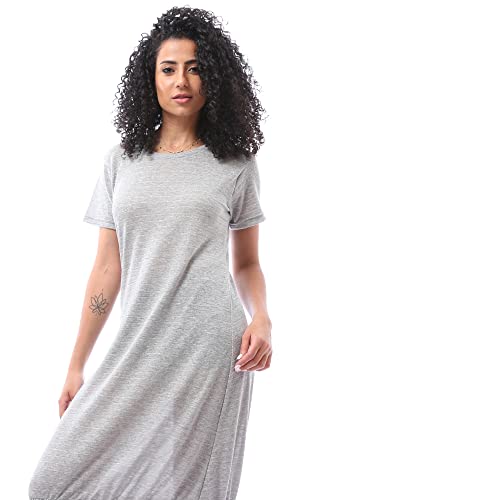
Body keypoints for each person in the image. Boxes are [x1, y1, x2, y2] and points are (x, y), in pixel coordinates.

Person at [28, 6, 272, 499]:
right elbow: (106, 267)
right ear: (151, 79)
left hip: (208, 342)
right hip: (137, 340)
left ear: (214, 79)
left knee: (185, 486)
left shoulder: (235, 164)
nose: (182, 81)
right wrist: (76, 365)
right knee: (51, 483)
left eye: (195, 68)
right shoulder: (121, 161)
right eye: (169, 68)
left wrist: (262, 318)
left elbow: (246, 263)